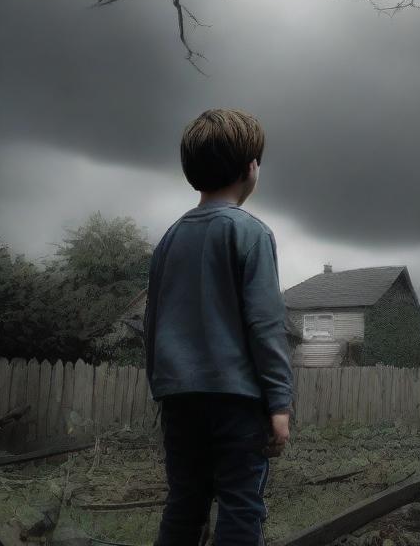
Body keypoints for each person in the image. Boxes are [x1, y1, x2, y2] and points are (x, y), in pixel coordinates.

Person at [144, 108, 294, 546]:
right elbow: (265, 325)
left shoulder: (168, 240)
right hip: (236, 402)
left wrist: (161, 386)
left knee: (184, 503)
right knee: (240, 505)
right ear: (251, 169)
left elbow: (152, 325)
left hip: (178, 400)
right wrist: (279, 404)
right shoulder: (251, 233)